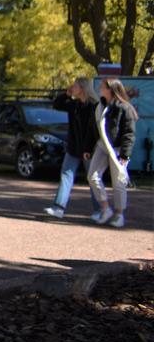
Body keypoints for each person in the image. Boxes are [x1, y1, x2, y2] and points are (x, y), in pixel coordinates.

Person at [44, 77, 100, 219]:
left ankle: (100, 210)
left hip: (89, 148)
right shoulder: (74, 105)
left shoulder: (94, 106)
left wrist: (89, 148)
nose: (72, 87)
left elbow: (94, 130)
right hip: (74, 147)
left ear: (82, 88)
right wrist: (66, 94)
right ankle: (58, 207)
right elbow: (57, 104)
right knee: (66, 175)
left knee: (93, 178)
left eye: (75, 86)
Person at [86, 78, 138, 229]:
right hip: (102, 146)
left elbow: (129, 133)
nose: (100, 88)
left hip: (118, 149)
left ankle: (119, 214)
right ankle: (105, 208)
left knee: (119, 182)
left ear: (111, 89)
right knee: (92, 176)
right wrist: (88, 148)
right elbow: (93, 129)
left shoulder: (124, 108)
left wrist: (124, 155)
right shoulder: (100, 106)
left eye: (102, 86)